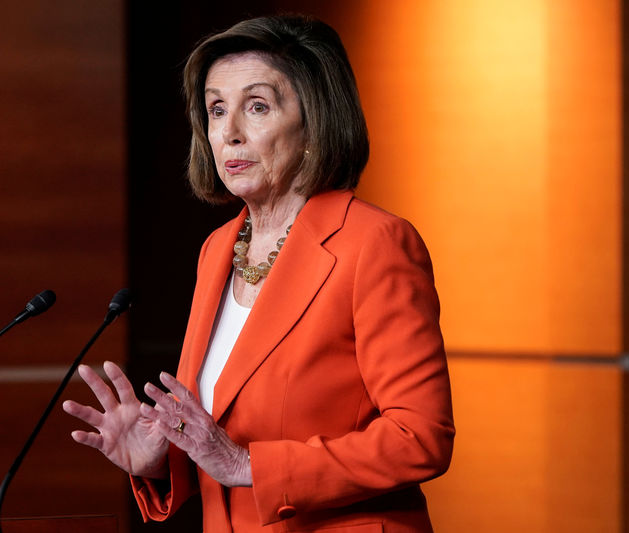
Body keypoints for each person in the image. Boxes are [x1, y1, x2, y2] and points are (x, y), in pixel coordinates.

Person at [62, 14, 454, 533]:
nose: (228, 132)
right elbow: (219, 438)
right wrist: (160, 458)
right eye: (216, 109)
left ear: (315, 123)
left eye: (257, 106)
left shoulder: (373, 243)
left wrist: (250, 465)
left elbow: (421, 437)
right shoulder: (217, 249)